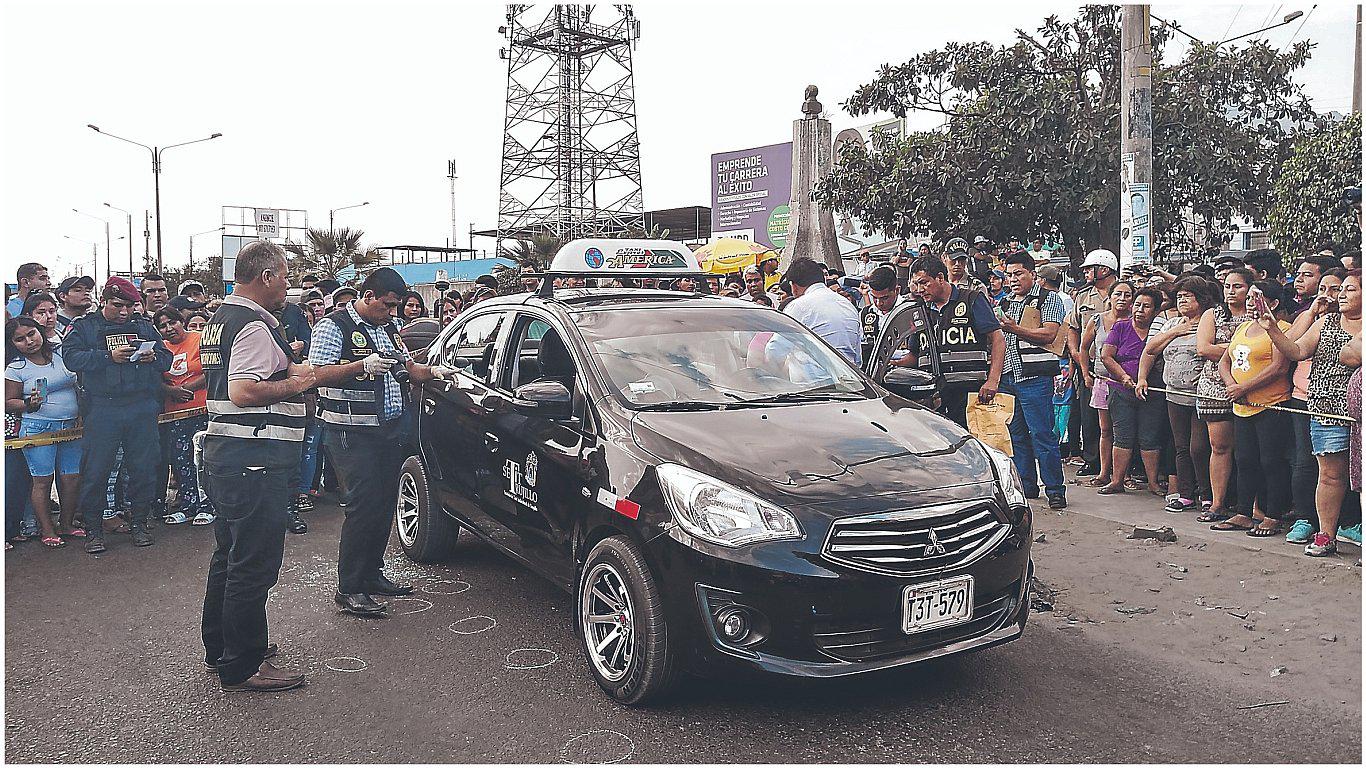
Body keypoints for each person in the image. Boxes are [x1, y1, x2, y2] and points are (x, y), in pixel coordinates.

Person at [199, 240, 313, 693]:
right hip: (253, 458)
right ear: (266, 276)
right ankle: (244, 663)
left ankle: (221, 647)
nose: (288, 285)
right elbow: (244, 391)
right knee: (253, 565)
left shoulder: (220, 319)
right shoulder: (251, 324)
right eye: (285, 276)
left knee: (229, 556)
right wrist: (296, 385)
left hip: (229, 455)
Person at [308, 267, 455, 617]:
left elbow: (409, 368)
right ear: (368, 296)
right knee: (362, 507)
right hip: (350, 432)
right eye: (386, 305)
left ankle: (372, 574)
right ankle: (350, 587)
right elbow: (316, 374)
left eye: (395, 306)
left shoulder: (387, 328)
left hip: (388, 428)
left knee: (383, 503)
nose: (391, 312)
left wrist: (433, 372)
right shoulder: (334, 326)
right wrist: (360, 366)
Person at [63, 276, 172, 552]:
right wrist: (107, 357)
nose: (124, 312)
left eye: (130, 306)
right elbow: (71, 358)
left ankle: (140, 523)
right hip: (104, 407)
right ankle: (94, 530)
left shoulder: (144, 326)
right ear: (103, 302)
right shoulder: (86, 327)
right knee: (96, 470)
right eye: (117, 305)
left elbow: (166, 359)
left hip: (140, 405)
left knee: (143, 468)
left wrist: (152, 357)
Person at [1263, 270, 1363, 556]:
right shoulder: (1325, 321)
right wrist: (1272, 328)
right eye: (1341, 289)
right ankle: (1326, 535)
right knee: (1330, 475)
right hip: (1328, 409)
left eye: (1350, 289)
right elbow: (1296, 351)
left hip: (1360, 412)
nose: (1341, 294)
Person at [1212, 280, 1293, 536]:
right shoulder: (1243, 327)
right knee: (1244, 459)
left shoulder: (1283, 329)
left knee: (1271, 461)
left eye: (1256, 298)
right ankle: (1243, 512)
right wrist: (1231, 385)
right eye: (1248, 298)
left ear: (1274, 303)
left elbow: (1279, 367)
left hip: (1271, 404)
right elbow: (1225, 361)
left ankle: (1273, 514)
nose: (1249, 303)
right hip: (1242, 406)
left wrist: (1244, 388)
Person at [1140, 275, 1219, 515]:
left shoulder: (1210, 321)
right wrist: (1176, 331)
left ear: (1201, 299)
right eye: (1180, 296)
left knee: (1199, 447)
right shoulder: (1172, 323)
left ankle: (1207, 494)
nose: (1182, 300)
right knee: (1180, 446)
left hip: (1201, 395)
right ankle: (1185, 494)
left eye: (1188, 296)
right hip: (1173, 394)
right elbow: (1151, 349)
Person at [5, 317, 85, 547]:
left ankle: (67, 524)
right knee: (42, 481)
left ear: (40, 331)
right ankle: (47, 530)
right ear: (12, 344)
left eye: (32, 334)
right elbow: (8, 402)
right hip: (38, 428)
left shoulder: (61, 354)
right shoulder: (16, 368)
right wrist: (28, 404)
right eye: (20, 339)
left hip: (71, 426)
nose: (29, 341)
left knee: (71, 478)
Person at [997, 252, 1067, 509]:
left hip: (1034, 377)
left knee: (1042, 434)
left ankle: (1055, 489)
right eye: (1009, 275)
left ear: (1032, 274)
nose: (1013, 279)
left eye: (1018, 274)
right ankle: (1026, 485)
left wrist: (1014, 329)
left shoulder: (1048, 298)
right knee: (1016, 435)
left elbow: (1049, 334)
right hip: (1008, 377)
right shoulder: (1004, 302)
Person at [1285, 268, 1346, 543]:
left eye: (1336, 289)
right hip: (1306, 397)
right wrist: (1312, 312)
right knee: (1306, 462)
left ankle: (1345, 523)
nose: (1329, 295)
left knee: (1344, 470)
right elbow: (1291, 347)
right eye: (1323, 289)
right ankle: (1306, 519)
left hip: (1346, 405)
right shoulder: (1312, 317)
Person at [910, 255, 1005, 428]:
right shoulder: (919, 310)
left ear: (940, 277)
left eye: (924, 283)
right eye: (916, 284)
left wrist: (993, 380)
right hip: (933, 398)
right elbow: (914, 355)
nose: (920, 289)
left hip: (971, 394)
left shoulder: (972, 299)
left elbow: (998, 339)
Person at [1193, 268, 1253, 524]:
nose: (1231, 291)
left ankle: (1252, 507)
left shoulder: (1259, 315)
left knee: (1250, 451)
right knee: (1219, 447)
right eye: (1227, 286)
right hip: (1215, 387)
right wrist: (1242, 350)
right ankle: (1217, 503)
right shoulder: (1212, 314)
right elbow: (1204, 348)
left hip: (1253, 386)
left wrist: (1229, 350)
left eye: (1237, 286)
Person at [1100, 286, 1166, 497]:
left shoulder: (1160, 331)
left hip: (1152, 391)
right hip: (1121, 390)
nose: (1140, 310)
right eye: (1137, 305)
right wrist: (1123, 377)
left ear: (1155, 311)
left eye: (1146, 306)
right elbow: (1106, 356)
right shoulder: (1121, 327)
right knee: (1122, 436)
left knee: (1150, 437)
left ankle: (1153, 483)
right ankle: (1117, 480)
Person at [153, 307, 214, 526]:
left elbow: (212, 369)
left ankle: (208, 506)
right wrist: (172, 391)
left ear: (182, 322)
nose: (169, 328)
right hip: (174, 414)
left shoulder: (200, 339)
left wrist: (187, 388)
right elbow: (154, 378)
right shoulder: (160, 348)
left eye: (173, 322)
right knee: (181, 461)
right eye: (162, 326)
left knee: (204, 461)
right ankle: (188, 507)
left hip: (203, 410)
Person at [1070, 249, 1120, 478]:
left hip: (1120, 364)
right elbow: (1073, 327)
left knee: (1119, 417)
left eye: (1090, 268)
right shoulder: (1083, 296)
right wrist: (1075, 353)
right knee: (1089, 416)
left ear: (1105, 269)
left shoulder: (1123, 291)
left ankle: (1123, 466)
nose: (1086, 273)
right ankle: (1093, 460)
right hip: (1089, 364)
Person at [1079, 279, 1134, 488]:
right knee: (1105, 429)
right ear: (1109, 297)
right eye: (1118, 294)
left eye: (1127, 295)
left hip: (1125, 383)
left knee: (1124, 431)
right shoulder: (1097, 320)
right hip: (1102, 380)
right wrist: (1086, 373)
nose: (1122, 298)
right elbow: (1084, 347)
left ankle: (1124, 475)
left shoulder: (1134, 321)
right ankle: (1104, 472)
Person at [782, 257, 862, 366]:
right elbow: (857, 358)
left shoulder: (797, 306)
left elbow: (774, 351)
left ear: (793, 286)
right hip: (849, 374)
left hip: (813, 376)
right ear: (823, 279)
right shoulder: (847, 305)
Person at [858, 265, 906, 362]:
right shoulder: (866, 314)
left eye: (884, 298)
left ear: (897, 290)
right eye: (874, 297)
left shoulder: (909, 311)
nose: (879, 303)